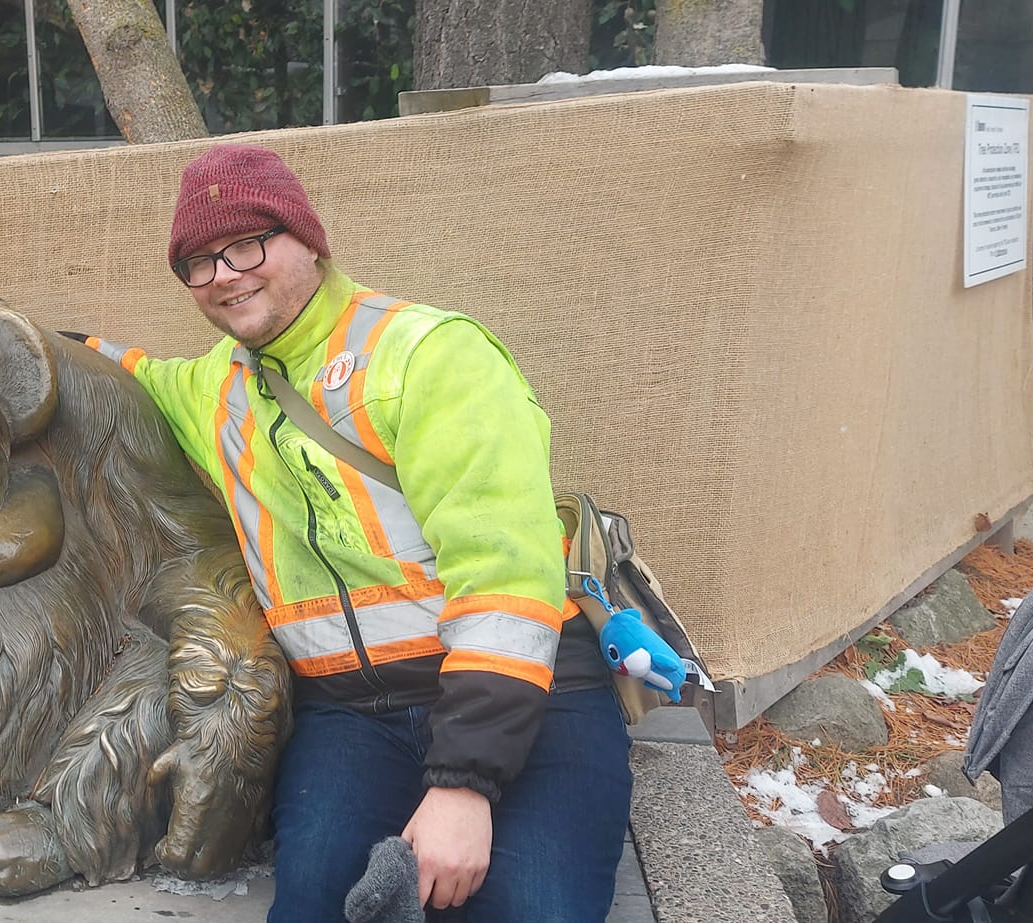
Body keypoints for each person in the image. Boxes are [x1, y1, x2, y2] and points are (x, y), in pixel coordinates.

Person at [81, 143, 633, 922]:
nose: (224, 275)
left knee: (527, 910)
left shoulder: (429, 354)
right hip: (350, 715)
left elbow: (504, 577)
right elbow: (117, 373)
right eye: (198, 263)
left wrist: (463, 785)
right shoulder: (214, 386)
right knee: (312, 907)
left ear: (308, 238)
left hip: (523, 695)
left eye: (246, 244)